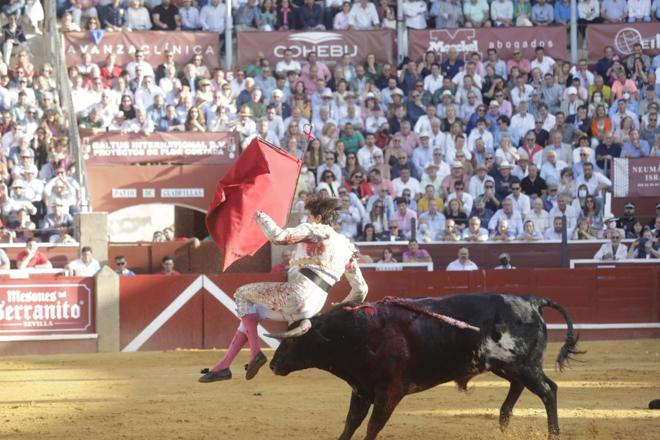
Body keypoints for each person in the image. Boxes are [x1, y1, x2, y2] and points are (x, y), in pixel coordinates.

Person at [199, 196, 368, 383]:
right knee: (252, 313)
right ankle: (224, 365)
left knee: (242, 294)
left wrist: (259, 215)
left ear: (318, 218)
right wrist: (340, 308)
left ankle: (255, 352)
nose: (306, 219)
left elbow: (278, 237)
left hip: (296, 293)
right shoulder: (346, 246)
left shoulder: (316, 230)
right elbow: (361, 289)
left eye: (309, 215)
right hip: (314, 307)